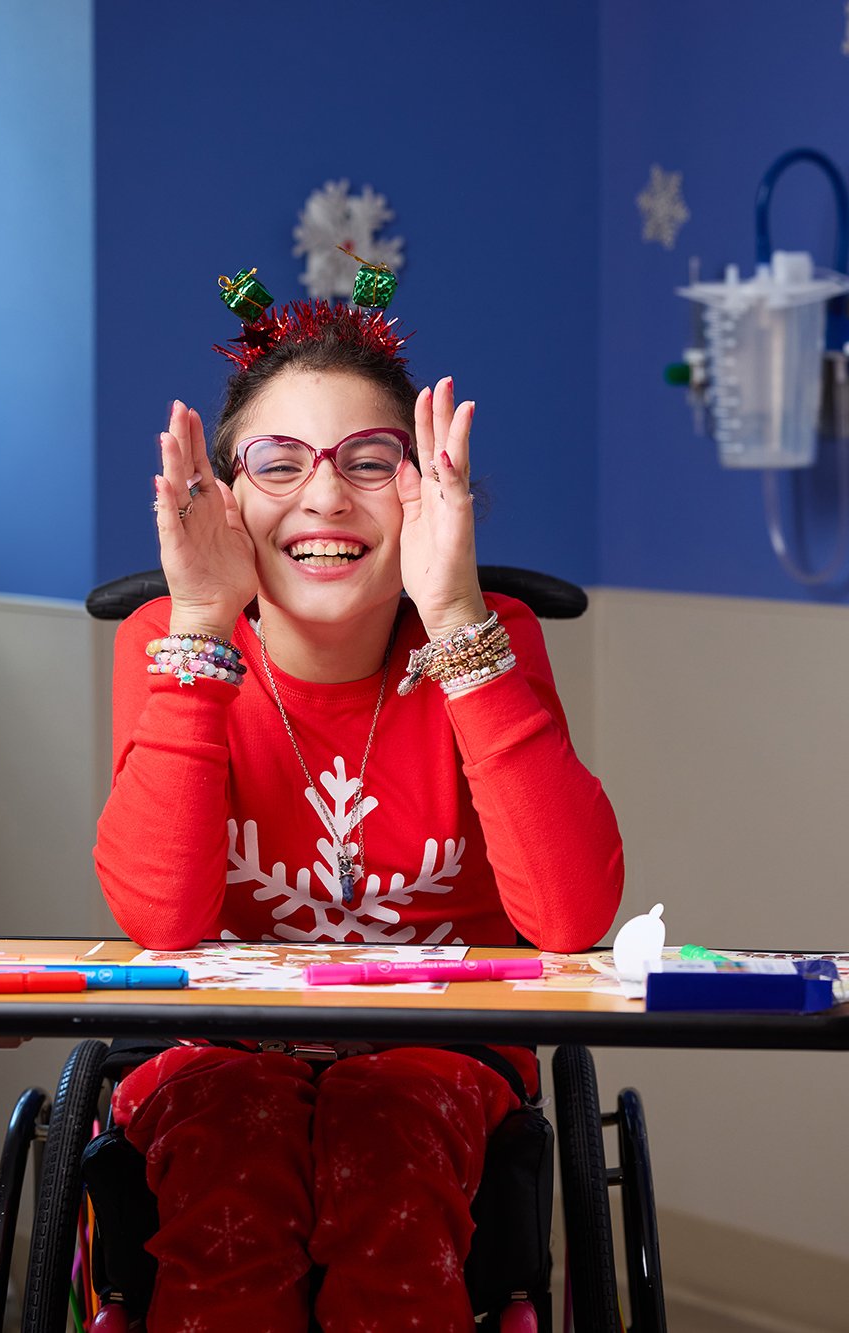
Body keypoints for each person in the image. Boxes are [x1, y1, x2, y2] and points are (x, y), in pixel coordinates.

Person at [92, 294, 625, 1332]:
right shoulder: (171, 638)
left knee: (387, 1149)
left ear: (423, 493)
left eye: (369, 461)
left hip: (443, 1052)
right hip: (216, 1050)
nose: (324, 497)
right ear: (221, 500)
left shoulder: (489, 634)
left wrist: (458, 614)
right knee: (226, 1168)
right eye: (278, 464)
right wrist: (202, 623)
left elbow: (568, 921)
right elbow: (161, 921)